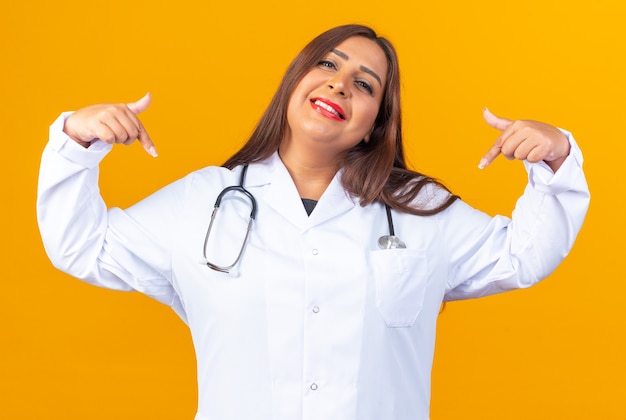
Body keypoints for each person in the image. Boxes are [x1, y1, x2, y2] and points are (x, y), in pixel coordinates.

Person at [37, 24, 589, 420]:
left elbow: (521, 255)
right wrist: (75, 143)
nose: (341, 84)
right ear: (295, 82)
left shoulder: (418, 209)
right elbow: (82, 247)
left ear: (376, 123)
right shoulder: (202, 202)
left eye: (366, 83)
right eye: (327, 64)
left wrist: (556, 156)